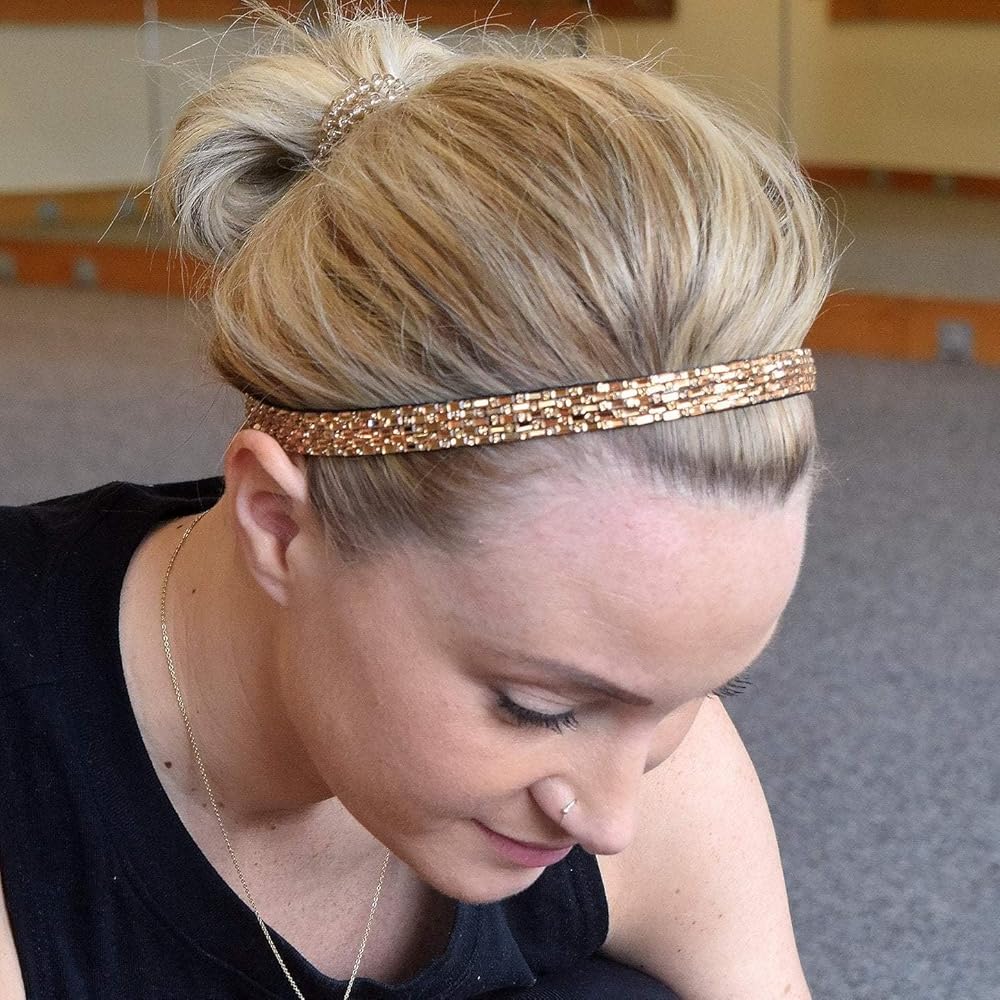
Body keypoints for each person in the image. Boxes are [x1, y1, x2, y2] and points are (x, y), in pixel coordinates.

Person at [0, 1, 840, 996]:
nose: (613, 818)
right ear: (279, 524)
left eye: (698, 691)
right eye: (536, 707)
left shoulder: (634, 708)